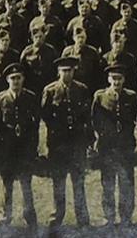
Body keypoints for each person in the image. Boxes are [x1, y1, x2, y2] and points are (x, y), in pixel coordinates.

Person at [41, 56, 92, 226]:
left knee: (78, 182)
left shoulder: (82, 89)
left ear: (74, 71)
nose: (66, 74)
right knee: (59, 182)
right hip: (58, 145)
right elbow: (45, 115)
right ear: (58, 72)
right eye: (63, 71)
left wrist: (88, 140)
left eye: (69, 71)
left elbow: (87, 116)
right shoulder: (50, 91)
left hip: (77, 144)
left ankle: (82, 218)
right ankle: (57, 215)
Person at [0, 64, 40, 226]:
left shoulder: (30, 98)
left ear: (23, 79)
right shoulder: (0, 99)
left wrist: (33, 147)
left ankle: (29, 215)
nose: (16, 81)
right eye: (12, 78)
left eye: (18, 78)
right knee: (7, 184)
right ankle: (5, 215)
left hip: (24, 149)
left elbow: (35, 125)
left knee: (26, 183)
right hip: (7, 149)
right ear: (7, 80)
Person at [92, 65, 137, 224]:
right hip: (107, 146)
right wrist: (102, 136)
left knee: (126, 181)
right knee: (108, 182)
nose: (116, 81)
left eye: (119, 78)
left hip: (125, 145)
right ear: (108, 79)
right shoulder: (100, 96)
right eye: (114, 78)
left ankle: (126, 216)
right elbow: (95, 119)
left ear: (124, 80)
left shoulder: (131, 96)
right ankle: (109, 216)